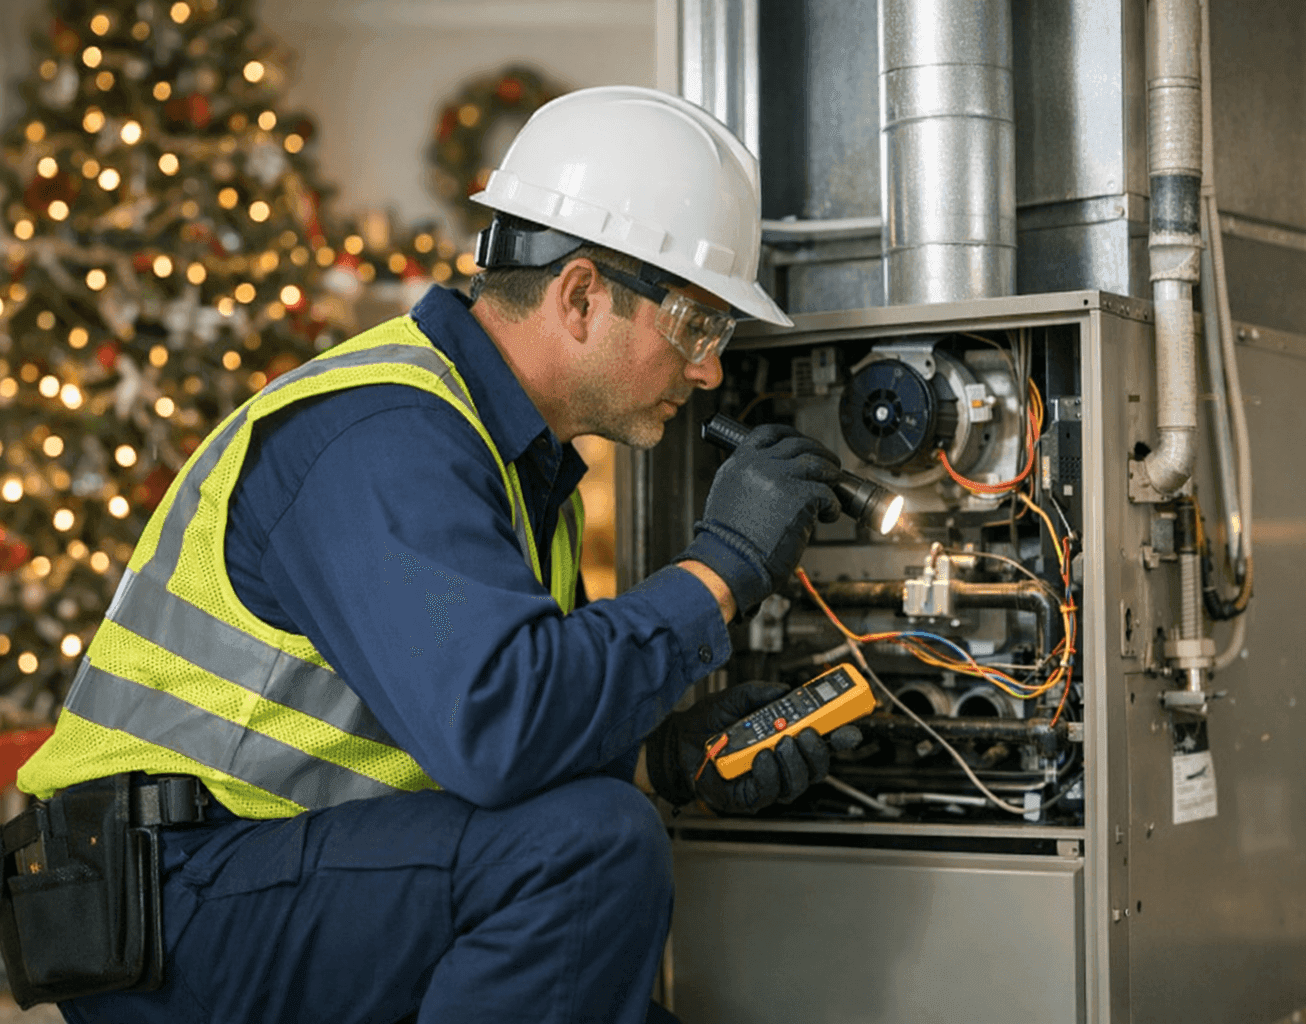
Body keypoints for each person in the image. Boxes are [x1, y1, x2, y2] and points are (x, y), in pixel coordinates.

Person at [5, 86, 858, 1024]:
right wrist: (722, 567)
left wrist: (666, 758)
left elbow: (462, 742)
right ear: (580, 295)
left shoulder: (517, 469)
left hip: (259, 886)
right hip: (167, 910)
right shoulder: (384, 433)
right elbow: (497, 734)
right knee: (589, 848)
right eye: (697, 327)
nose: (709, 371)